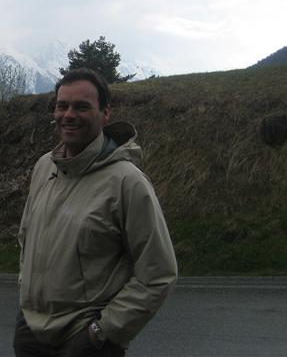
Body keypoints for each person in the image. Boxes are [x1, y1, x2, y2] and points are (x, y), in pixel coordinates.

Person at [14, 68, 178, 357]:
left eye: (81, 107)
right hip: (31, 335)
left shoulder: (127, 181)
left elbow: (158, 273)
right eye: (62, 106)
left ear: (105, 114)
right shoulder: (44, 167)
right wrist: (25, 303)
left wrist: (102, 332)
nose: (68, 115)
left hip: (86, 342)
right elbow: (26, 237)